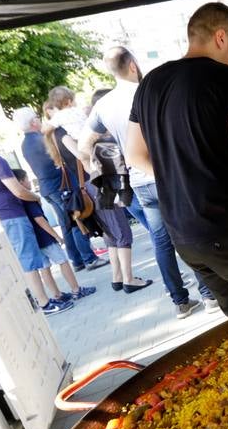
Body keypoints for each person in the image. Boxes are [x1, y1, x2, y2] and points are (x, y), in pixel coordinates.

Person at [124, 2, 228, 317]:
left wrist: (180, 173)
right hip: (225, 227)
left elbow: (134, 154)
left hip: (184, 235)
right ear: (220, 37)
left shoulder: (150, 82)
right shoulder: (224, 78)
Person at [83, 47, 202, 318]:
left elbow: (83, 144)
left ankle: (180, 300)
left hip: (138, 180)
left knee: (161, 240)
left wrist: (107, 165)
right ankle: (208, 294)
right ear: (133, 65)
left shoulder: (103, 105)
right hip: (167, 174)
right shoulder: (149, 90)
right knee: (188, 233)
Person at [44, 90, 150, 295]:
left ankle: (117, 277)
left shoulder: (55, 134)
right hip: (98, 180)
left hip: (88, 186)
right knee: (122, 231)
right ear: (67, 102)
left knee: (110, 233)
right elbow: (82, 154)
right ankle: (129, 279)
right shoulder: (67, 132)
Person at [0, 122, 72, 314]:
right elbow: (18, 191)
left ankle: (47, 299)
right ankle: (44, 303)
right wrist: (36, 197)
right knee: (29, 261)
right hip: (11, 215)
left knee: (24, 259)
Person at [18, 108, 104, 271]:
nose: (39, 120)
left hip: (48, 188)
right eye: (37, 118)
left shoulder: (25, 144)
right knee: (77, 220)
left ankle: (77, 260)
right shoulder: (42, 139)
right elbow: (58, 160)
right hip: (61, 186)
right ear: (33, 122)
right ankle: (89, 258)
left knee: (66, 224)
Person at [13, 169, 95, 309]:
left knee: (45, 267)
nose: (30, 181)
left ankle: (57, 294)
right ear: (21, 181)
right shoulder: (30, 198)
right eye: (27, 179)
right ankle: (76, 290)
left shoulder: (17, 200)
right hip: (45, 237)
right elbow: (39, 219)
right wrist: (56, 235)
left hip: (34, 240)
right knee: (63, 261)